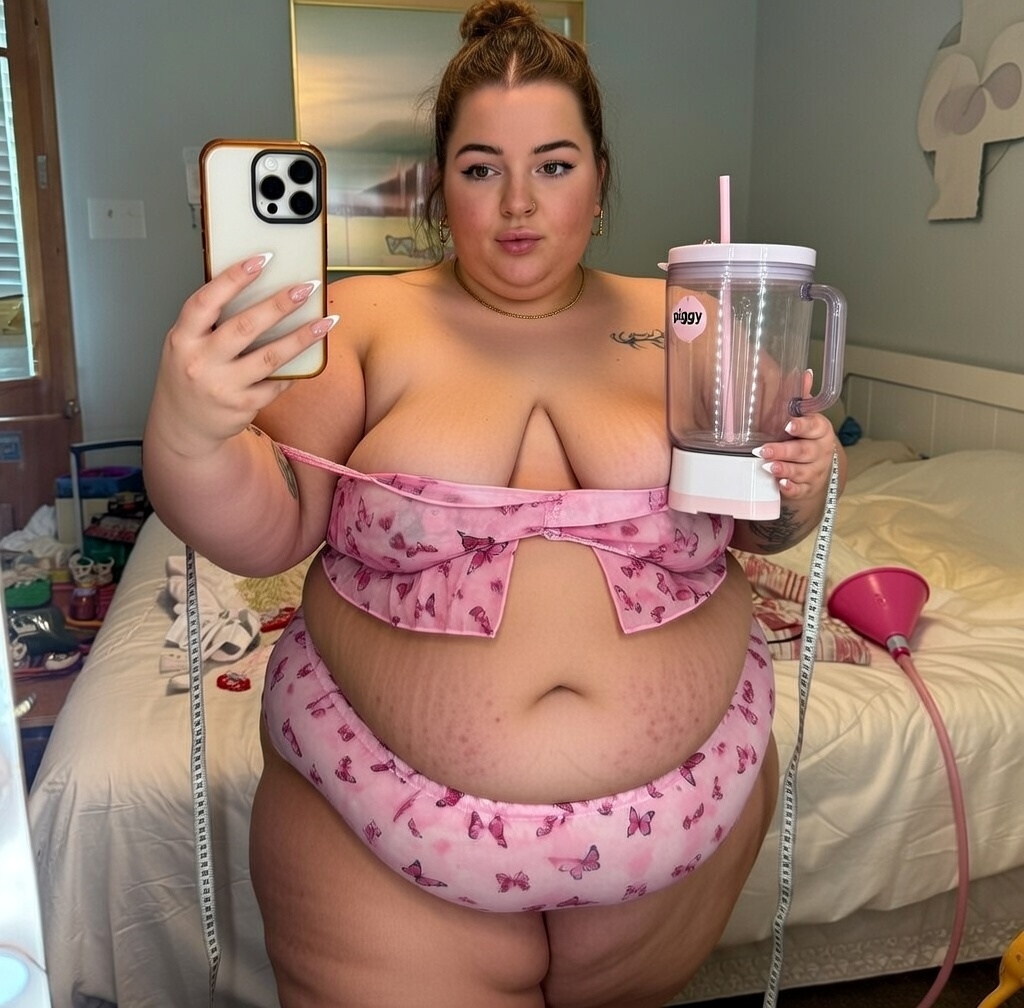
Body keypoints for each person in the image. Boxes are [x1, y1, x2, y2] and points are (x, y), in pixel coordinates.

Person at [143, 2, 844, 1004]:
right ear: (440, 187)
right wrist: (189, 432)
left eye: (553, 165)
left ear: (599, 178)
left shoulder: (690, 317)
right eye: (481, 169)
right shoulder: (360, 319)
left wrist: (802, 485)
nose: (519, 203)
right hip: (379, 847)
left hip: (678, 836)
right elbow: (270, 527)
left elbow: (764, 522)